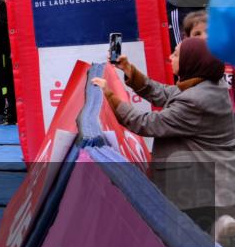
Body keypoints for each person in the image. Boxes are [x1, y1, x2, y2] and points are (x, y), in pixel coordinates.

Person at [92, 39, 235, 235]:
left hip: (208, 193)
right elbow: (165, 93)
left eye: (176, 54)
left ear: (191, 61)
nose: (170, 57)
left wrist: (109, 95)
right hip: (210, 187)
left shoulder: (196, 100)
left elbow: (145, 123)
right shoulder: (208, 84)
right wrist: (129, 71)